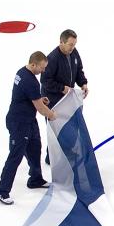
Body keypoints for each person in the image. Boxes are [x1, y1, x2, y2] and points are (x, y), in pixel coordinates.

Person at [0, 52, 57, 205]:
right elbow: (41, 110)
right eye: (42, 68)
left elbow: (31, 98)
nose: (43, 71)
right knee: (16, 156)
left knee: (35, 148)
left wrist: (40, 99)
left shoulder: (22, 72)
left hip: (29, 120)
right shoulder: (30, 81)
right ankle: (2, 191)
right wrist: (53, 115)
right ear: (33, 64)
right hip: (19, 123)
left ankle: (35, 179)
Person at [41, 29, 88, 164]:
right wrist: (62, 88)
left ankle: (64, 153)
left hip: (66, 99)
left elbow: (78, 70)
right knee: (55, 129)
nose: (73, 48)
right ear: (61, 42)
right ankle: (52, 157)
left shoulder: (74, 53)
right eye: (70, 45)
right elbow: (45, 81)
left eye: (74, 44)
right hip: (53, 101)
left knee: (68, 127)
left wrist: (83, 83)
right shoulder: (52, 59)